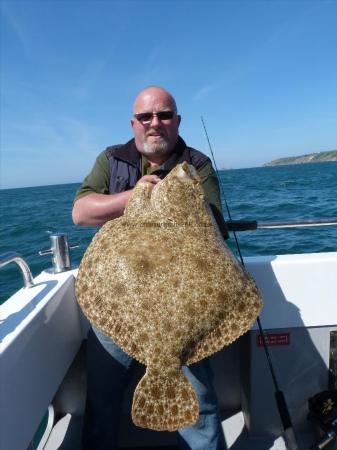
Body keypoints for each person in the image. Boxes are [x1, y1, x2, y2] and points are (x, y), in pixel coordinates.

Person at [72, 86, 227, 450]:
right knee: (102, 400)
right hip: (118, 301)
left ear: (177, 121)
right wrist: (134, 196)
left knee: (201, 405)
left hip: (184, 307)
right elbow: (80, 213)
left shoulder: (197, 164)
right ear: (134, 123)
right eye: (146, 117)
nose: (155, 123)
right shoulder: (112, 160)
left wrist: (174, 200)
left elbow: (216, 232)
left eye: (164, 115)